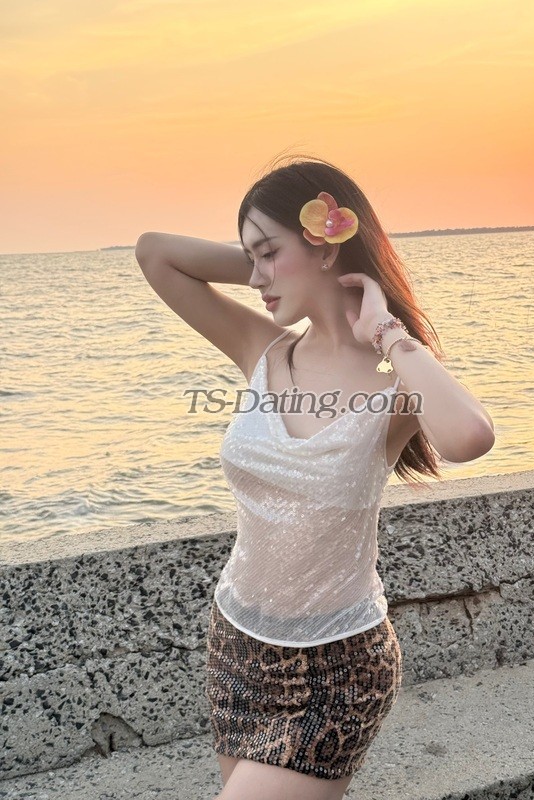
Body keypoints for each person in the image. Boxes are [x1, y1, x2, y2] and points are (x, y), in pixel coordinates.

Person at [135, 154, 495, 800]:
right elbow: (155, 253)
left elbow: (469, 436)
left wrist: (385, 331)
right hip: (236, 647)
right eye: (250, 257)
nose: (256, 277)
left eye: (269, 253)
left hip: (336, 669)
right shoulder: (262, 348)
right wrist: (273, 264)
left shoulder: (394, 382)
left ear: (327, 247)